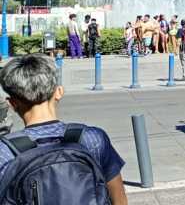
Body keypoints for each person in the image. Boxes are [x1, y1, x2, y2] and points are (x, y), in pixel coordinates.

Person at [0, 54, 127, 205]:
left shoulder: (4, 152)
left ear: (12, 103)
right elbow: (118, 198)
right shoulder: (92, 138)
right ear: (59, 92)